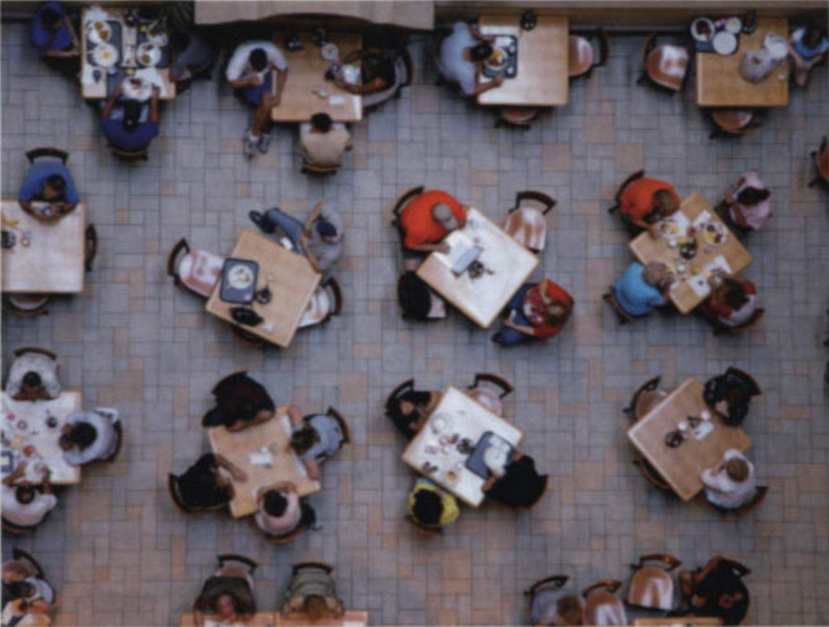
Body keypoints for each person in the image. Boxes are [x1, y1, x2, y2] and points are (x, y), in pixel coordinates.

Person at [225, 40, 289, 157]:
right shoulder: (240, 59)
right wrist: (249, 81)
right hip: (248, 79)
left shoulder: (272, 52)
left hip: (268, 77)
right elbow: (231, 82)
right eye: (257, 68)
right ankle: (265, 131)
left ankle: (254, 135)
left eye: (262, 67)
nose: (259, 69)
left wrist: (279, 93)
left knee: (267, 101)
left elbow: (283, 69)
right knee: (265, 103)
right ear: (250, 62)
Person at [249, 201, 345, 276]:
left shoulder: (332, 254)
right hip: (300, 232)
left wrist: (306, 248)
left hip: (302, 253)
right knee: (272, 213)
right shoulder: (336, 221)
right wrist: (309, 223)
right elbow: (321, 205)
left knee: (278, 254)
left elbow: (318, 269)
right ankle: (266, 227)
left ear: (324, 238)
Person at [397, 190, 468, 269]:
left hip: (420, 208)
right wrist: (437, 247)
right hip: (413, 232)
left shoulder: (447, 199)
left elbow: (462, 218)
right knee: (411, 271)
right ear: (436, 221)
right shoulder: (418, 229)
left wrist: (459, 225)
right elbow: (412, 246)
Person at [492, 279, 574, 346]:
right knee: (502, 292)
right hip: (524, 295)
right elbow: (543, 281)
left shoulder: (551, 329)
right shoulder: (562, 297)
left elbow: (532, 331)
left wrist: (514, 325)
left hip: (526, 319)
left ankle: (511, 315)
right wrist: (543, 296)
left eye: (548, 311)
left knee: (507, 338)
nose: (547, 307)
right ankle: (509, 308)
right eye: (551, 305)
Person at [437, 21, 506, 97]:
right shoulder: (467, 73)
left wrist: (481, 36)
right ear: (479, 62)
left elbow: (461, 24)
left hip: (441, 48)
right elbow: (470, 91)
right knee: (466, 88)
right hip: (443, 68)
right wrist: (493, 83)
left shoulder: (463, 34)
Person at [678, 556, 750, 625]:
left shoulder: (735, 613)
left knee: (687, 617)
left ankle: (688, 605)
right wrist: (702, 574)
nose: (725, 600)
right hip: (703, 585)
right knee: (684, 576)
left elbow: (727, 623)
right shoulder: (730, 580)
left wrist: (696, 614)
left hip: (706, 607)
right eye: (726, 598)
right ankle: (687, 601)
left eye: (726, 603)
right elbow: (718, 559)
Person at [202, 372, 275, 432]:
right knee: (215, 420)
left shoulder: (256, 392)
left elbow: (269, 412)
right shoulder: (227, 399)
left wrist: (245, 424)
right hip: (234, 413)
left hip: (251, 414)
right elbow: (230, 425)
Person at [170, 453, 247, 510]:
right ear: (216, 488)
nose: (218, 472)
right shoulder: (208, 497)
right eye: (219, 477)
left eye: (216, 473)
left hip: (177, 484)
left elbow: (212, 457)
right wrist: (228, 482)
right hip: (187, 502)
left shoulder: (198, 470)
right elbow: (231, 495)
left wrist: (232, 468)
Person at [193, 560, 257, 627]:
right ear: (217, 606)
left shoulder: (243, 596)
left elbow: (249, 614)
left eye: (227, 608)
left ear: (233, 606)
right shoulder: (209, 593)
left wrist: (234, 618)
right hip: (218, 579)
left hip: (242, 578)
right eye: (221, 609)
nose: (224, 614)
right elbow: (198, 608)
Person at [288, 405, 345, 480]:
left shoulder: (308, 454)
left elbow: (315, 475)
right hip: (325, 421)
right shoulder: (299, 429)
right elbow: (293, 408)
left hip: (334, 440)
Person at [100, 84, 161, 153]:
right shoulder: (145, 133)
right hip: (137, 145)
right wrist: (154, 99)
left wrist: (114, 96)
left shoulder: (113, 129)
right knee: (150, 107)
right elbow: (154, 121)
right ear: (138, 120)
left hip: (120, 144)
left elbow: (104, 116)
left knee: (102, 103)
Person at [1, 463, 57, 532]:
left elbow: (3, 483)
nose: (26, 482)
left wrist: (16, 474)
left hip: (8, 522)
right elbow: (49, 495)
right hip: (29, 525)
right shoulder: (41, 505)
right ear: (34, 496)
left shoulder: (4, 500)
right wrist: (46, 480)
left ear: (15, 493)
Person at [483, 451, 548, 507]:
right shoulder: (525, 464)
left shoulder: (505, 492)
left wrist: (493, 478)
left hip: (526, 500)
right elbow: (522, 457)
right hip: (539, 486)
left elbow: (484, 489)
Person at [717, 171, 772, 237]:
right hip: (730, 205)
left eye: (743, 204)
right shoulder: (752, 180)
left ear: (754, 204)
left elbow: (744, 225)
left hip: (736, 225)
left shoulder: (761, 212)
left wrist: (734, 205)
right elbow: (743, 178)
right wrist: (732, 189)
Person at [30, 2, 80, 73]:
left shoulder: (54, 6)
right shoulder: (39, 38)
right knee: (72, 66)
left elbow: (66, 17)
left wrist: (74, 38)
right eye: (57, 25)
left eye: (60, 22)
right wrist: (69, 54)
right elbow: (49, 52)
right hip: (54, 50)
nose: (60, 25)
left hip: (65, 37)